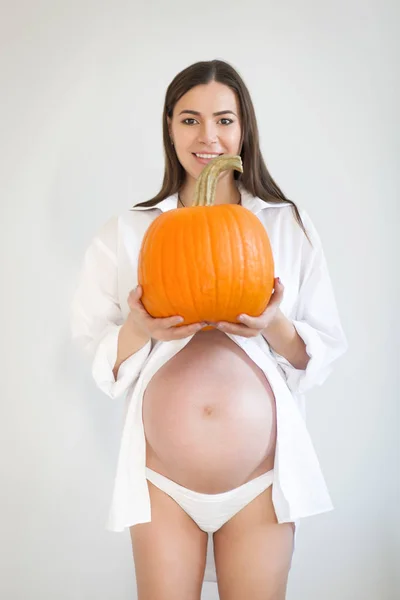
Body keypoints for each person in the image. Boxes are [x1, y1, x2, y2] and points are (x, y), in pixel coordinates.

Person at [70, 59, 348, 600]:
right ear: (169, 127)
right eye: (190, 120)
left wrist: (272, 324)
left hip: (263, 483)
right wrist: (138, 327)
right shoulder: (129, 230)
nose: (209, 137)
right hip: (162, 484)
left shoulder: (285, 224)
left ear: (244, 129)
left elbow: (323, 348)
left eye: (224, 120)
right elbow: (94, 349)